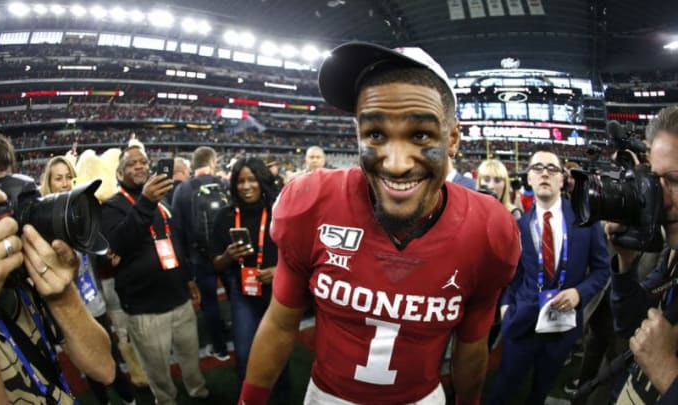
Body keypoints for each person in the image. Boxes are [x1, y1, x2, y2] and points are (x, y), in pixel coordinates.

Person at [238, 41, 521, 405]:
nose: (396, 163)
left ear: (451, 139)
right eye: (375, 134)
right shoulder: (310, 203)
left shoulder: (489, 230)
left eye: (420, 135)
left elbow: (471, 344)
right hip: (326, 396)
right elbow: (280, 323)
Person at [0, 127, 114, 404]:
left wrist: (62, 295)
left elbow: (104, 368)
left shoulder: (20, 281)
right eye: (1, 205)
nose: (18, 220)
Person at [490, 147, 611, 405]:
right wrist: (505, 306)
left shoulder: (585, 220)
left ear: (562, 179)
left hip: (561, 326)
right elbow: (514, 275)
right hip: (521, 322)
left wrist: (580, 293)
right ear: (529, 178)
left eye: (552, 168)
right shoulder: (519, 226)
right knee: (503, 391)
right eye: (537, 168)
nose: (544, 173)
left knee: (540, 392)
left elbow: (602, 270)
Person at [101, 145, 209, 405]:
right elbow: (119, 243)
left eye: (143, 161)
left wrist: (189, 279)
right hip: (145, 309)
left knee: (190, 357)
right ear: (119, 172)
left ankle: (197, 390)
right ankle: (165, 400)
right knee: (157, 370)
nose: (139, 166)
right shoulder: (112, 206)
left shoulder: (163, 200)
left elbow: (175, 243)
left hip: (179, 298)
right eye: (132, 164)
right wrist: (146, 201)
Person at [39, 156, 136, 405]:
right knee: (88, 362)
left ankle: (128, 398)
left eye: (68, 178)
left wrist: (108, 257)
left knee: (111, 354)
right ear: (48, 183)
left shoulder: (82, 214)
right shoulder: (42, 224)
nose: (64, 184)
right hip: (68, 308)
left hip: (94, 302)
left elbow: (94, 258)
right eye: (58, 178)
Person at [606, 106, 678, 404]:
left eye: (674, 180)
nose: (660, 199)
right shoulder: (673, 257)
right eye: (656, 180)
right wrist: (625, 263)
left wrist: (667, 374)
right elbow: (632, 327)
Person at [211, 157, 291, 404]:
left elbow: (301, 255)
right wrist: (227, 256)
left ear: (262, 181)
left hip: (278, 294)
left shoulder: (282, 212)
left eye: (252, 180)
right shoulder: (225, 216)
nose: (246, 186)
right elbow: (215, 263)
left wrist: (280, 270)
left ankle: (281, 397)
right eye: (240, 181)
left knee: (278, 354)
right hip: (242, 293)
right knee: (245, 354)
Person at [172, 146, 231, 361]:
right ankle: (245, 338)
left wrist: (186, 267)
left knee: (210, 304)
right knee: (235, 298)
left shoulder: (183, 190)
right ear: (212, 162)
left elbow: (176, 232)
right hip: (227, 255)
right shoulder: (224, 184)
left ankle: (219, 348)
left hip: (199, 258)